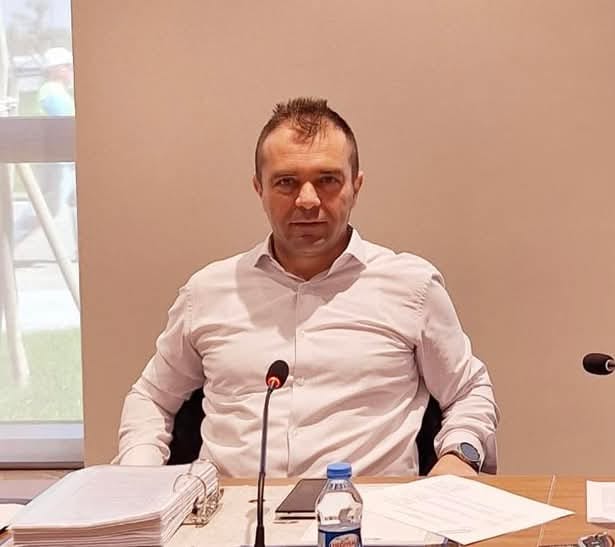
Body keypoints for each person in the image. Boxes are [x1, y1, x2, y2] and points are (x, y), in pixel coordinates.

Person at [116, 97, 498, 478]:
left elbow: (469, 392)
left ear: (356, 186)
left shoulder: (411, 287)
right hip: (230, 506)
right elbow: (151, 398)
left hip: (369, 507)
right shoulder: (207, 292)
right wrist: (137, 478)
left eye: (328, 180)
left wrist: (458, 456)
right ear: (259, 189)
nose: (308, 200)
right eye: (286, 182)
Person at [12, 47, 77, 254]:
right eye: (67, 66)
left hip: (64, 161)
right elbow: (65, 123)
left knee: (75, 201)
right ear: (56, 70)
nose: (71, 70)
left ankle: (83, 248)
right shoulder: (52, 92)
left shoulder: (55, 91)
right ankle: (7, 243)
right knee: (44, 210)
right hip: (57, 163)